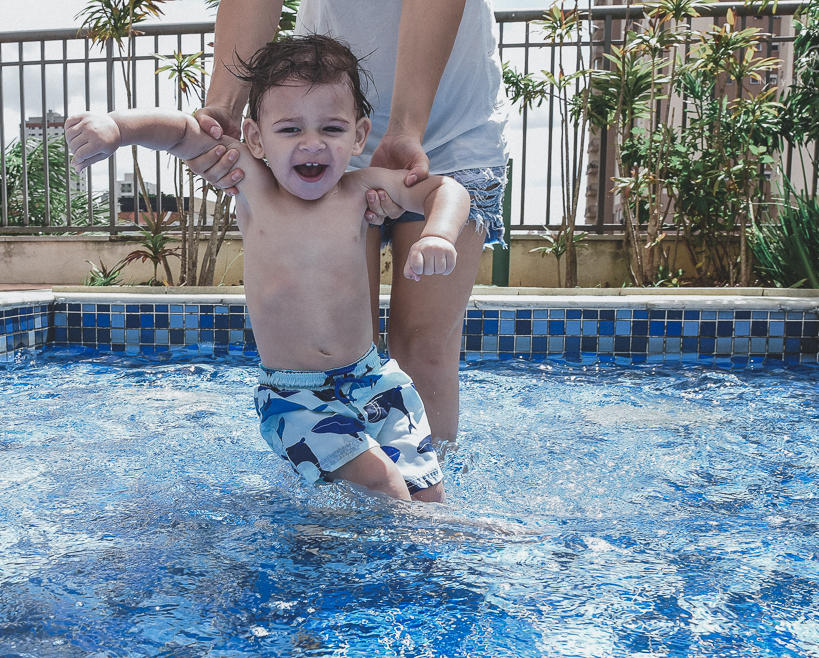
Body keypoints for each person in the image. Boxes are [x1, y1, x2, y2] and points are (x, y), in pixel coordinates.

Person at [64, 35, 471, 502]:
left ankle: (399, 546)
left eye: (332, 130)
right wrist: (117, 127)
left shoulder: (363, 190)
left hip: (375, 379)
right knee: (383, 483)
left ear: (360, 135)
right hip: (294, 397)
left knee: (428, 494)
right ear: (256, 137)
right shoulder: (253, 187)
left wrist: (438, 232)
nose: (312, 144)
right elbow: (181, 133)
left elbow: (446, 189)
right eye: (290, 129)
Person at [185, 0, 508, 444]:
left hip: (450, 119)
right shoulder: (299, 144)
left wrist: (406, 129)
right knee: (345, 354)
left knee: (425, 349)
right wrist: (222, 105)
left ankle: (426, 493)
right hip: (317, 107)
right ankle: (353, 489)